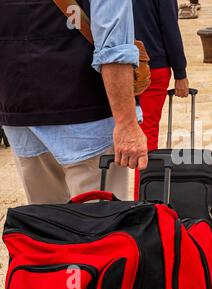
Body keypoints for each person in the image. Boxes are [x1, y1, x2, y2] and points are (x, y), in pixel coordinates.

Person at [0, 0, 147, 204]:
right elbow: (114, 47)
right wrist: (127, 124)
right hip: (88, 118)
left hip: (20, 113)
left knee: (46, 227)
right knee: (101, 228)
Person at [132, 0, 190, 199]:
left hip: (111, 65)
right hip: (152, 66)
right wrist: (180, 72)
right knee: (146, 135)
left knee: (110, 134)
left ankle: (116, 196)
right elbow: (169, 27)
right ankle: (144, 198)